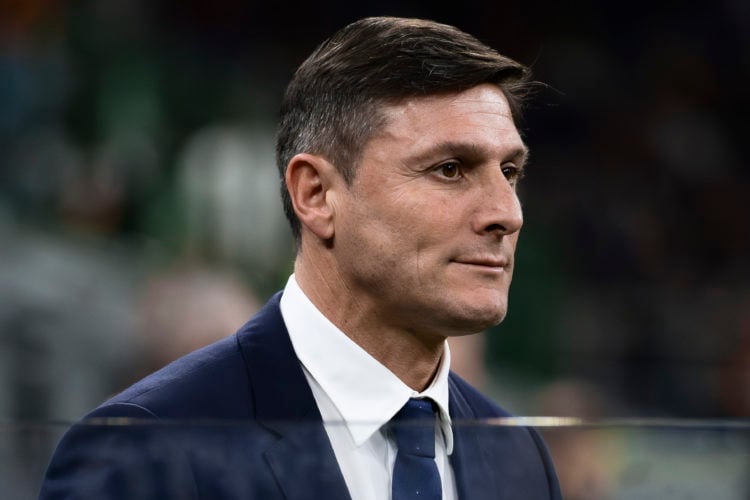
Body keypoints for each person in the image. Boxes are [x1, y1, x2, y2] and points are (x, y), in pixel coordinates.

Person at [39, 16, 561, 499]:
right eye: (450, 168)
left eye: (510, 172)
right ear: (315, 195)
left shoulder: (520, 459)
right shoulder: (146, 450)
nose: (506, 213)